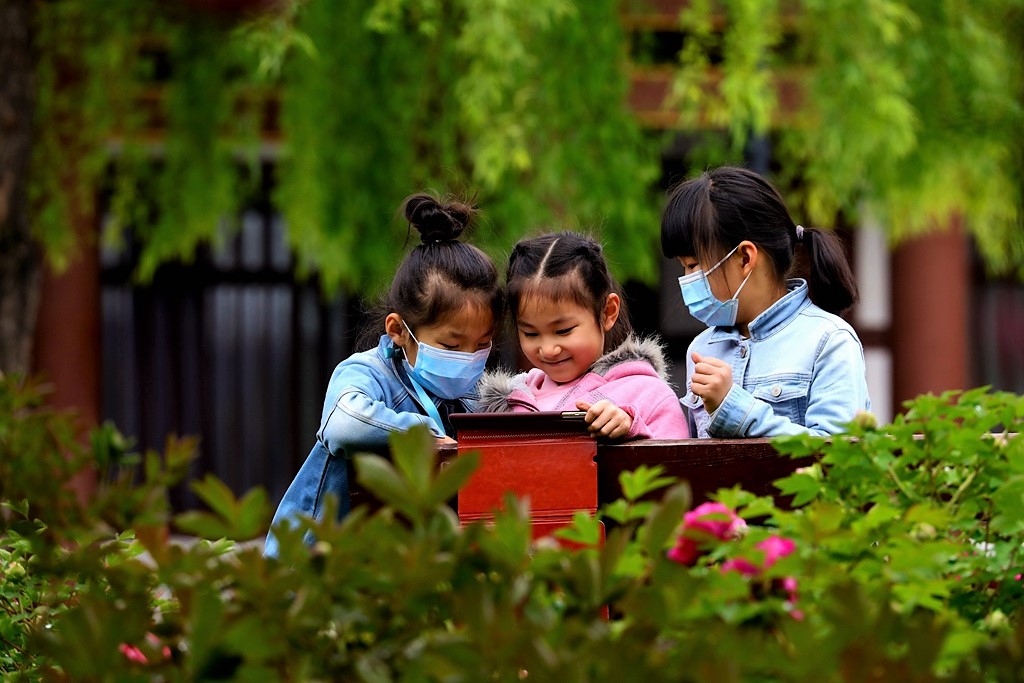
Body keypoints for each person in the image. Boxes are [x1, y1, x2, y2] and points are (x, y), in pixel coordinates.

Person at [265, 193, 501, 557]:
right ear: (398, 329)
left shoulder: (472, 396)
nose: (468, 359)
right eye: (452, 346)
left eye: (482, 345)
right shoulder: (367, 373)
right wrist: (425, 433)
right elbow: (343, 425)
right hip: (306, 568)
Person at [660, 165, 871, 438]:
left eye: (694, 264)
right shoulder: (701, 349)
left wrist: (734, 409)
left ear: (745, 258)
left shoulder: (828, 341)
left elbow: (838, 454)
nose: (687, 279)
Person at [478, 231, 689, 440]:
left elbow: (679, 468)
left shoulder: (648, 395)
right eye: (530, 333)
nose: (549, 349)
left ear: (608, 312)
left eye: (563, 331)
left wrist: (633, 432)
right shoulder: (512, 401)